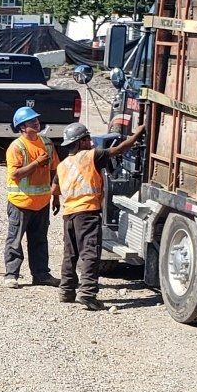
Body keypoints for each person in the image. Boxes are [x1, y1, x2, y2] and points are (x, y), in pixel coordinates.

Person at [52, 119, 141, 310]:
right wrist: (137, 134)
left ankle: (66, 291)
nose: (91, 141)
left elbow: (54, 189)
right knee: (90, 253)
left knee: (71, 254)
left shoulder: (63, 165)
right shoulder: (91, 156)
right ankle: (87, 293)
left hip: (69, 215)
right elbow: (119, 150)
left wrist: (57, 201)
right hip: (88, 213)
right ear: (81, 141)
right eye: (87, 138)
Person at [1, 105, 57, 288]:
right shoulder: (16, 147)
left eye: (37, 120)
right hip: (20, 204)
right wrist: (36, 163)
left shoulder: (47, 143)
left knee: (39, 240)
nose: (37, 123)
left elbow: (55, 169)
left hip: (42, 203)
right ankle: (11, 274)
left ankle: (41, 275)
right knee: (15, 240)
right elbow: (15, 175)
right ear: (22, 127)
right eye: (32, 121)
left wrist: (55, 195)